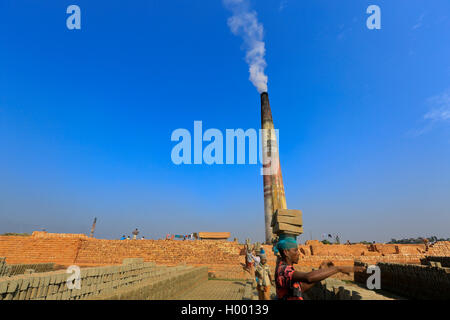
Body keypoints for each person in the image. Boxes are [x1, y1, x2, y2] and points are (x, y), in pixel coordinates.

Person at [275, 235, 365, 300]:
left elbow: (300, 287)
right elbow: (308, 277)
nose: (298, 253)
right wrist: (338, 269)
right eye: (295, 250)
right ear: (286, 252)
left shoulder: (284, 268)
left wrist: (321, 271)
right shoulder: (284, 270)